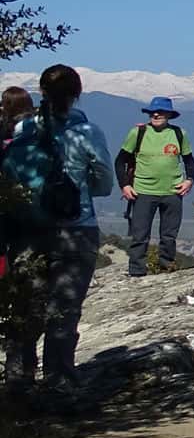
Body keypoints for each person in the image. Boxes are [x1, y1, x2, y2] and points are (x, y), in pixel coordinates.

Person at [0, 65, 115, 396]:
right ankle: (59, 379)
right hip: (76, 229)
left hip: (26, 230)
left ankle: (18, 378)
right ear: (77, 94)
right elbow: (105, 183)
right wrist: (77, 188)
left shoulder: (20, 131)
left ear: (41, 93)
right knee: (64, 309)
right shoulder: (88, 133)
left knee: (24, 305)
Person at [116, 97, 194, 277]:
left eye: (160, 111)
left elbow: (189, 159)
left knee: (169, 236)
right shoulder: (138, 133)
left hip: (173, 191)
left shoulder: (179, 134)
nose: (156, 114)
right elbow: (120, 160)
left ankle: (166, 269)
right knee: (140, 236)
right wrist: (125, 185)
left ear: (169, 115)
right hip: (143, 191)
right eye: (153, 112)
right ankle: (137, 272)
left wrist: (190, 180)